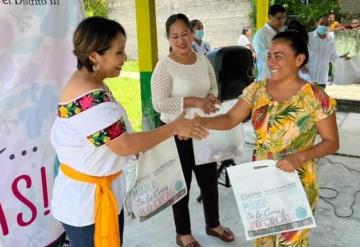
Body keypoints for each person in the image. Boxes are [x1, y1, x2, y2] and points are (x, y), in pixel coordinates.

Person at [50, 16, 208, 247]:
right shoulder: (88, 98)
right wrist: (174, 127)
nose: (125, 58)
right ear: (94, 56)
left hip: (98, 194)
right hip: (87, 204)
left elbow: (112, 134)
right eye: (119, 52)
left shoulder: (90, 82)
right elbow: (124, 144)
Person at [196, 30, 339, 247]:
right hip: (261, 178)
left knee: (291, 242)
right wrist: (201, 123)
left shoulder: (315, 97)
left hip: (296, 180)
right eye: (269, 55)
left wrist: (299, 157)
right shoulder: (258, 89)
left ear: (299, 59)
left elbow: (331, 142)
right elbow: (230, 118)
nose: (271, 61)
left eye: (279, 56)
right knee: (263, 240)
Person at [151, 13, 235, 247]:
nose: (181, 40)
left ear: (192, 33)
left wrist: (210, 96)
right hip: (177, 133)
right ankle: (183, 233)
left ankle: (213, 224)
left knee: (209, 181)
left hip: (203, 128)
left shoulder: (201, 59)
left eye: (185, 34)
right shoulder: (164, 67)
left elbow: (213, 85)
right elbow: (159, 103)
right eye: (174, 36)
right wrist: (194, 101)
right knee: (182, 185)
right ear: (168, 38)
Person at [304, 15, 345, 88]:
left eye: (327, 24)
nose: (324, 26)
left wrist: (343, 58)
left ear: (329, 26)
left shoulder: (331, 41)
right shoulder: (308, 38)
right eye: (321, 23)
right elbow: (298, 57)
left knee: (320, 99)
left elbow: (333, 57)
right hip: (306, 80)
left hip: (322, 81)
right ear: (316, 24)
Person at [253, 4, 286, 80]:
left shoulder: (283, 33)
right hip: (267, 77)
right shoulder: (260, 35)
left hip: (282, 77)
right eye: (279, 18)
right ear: (270, 17)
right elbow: (261, 55)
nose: (282, 21)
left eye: (283, 18)